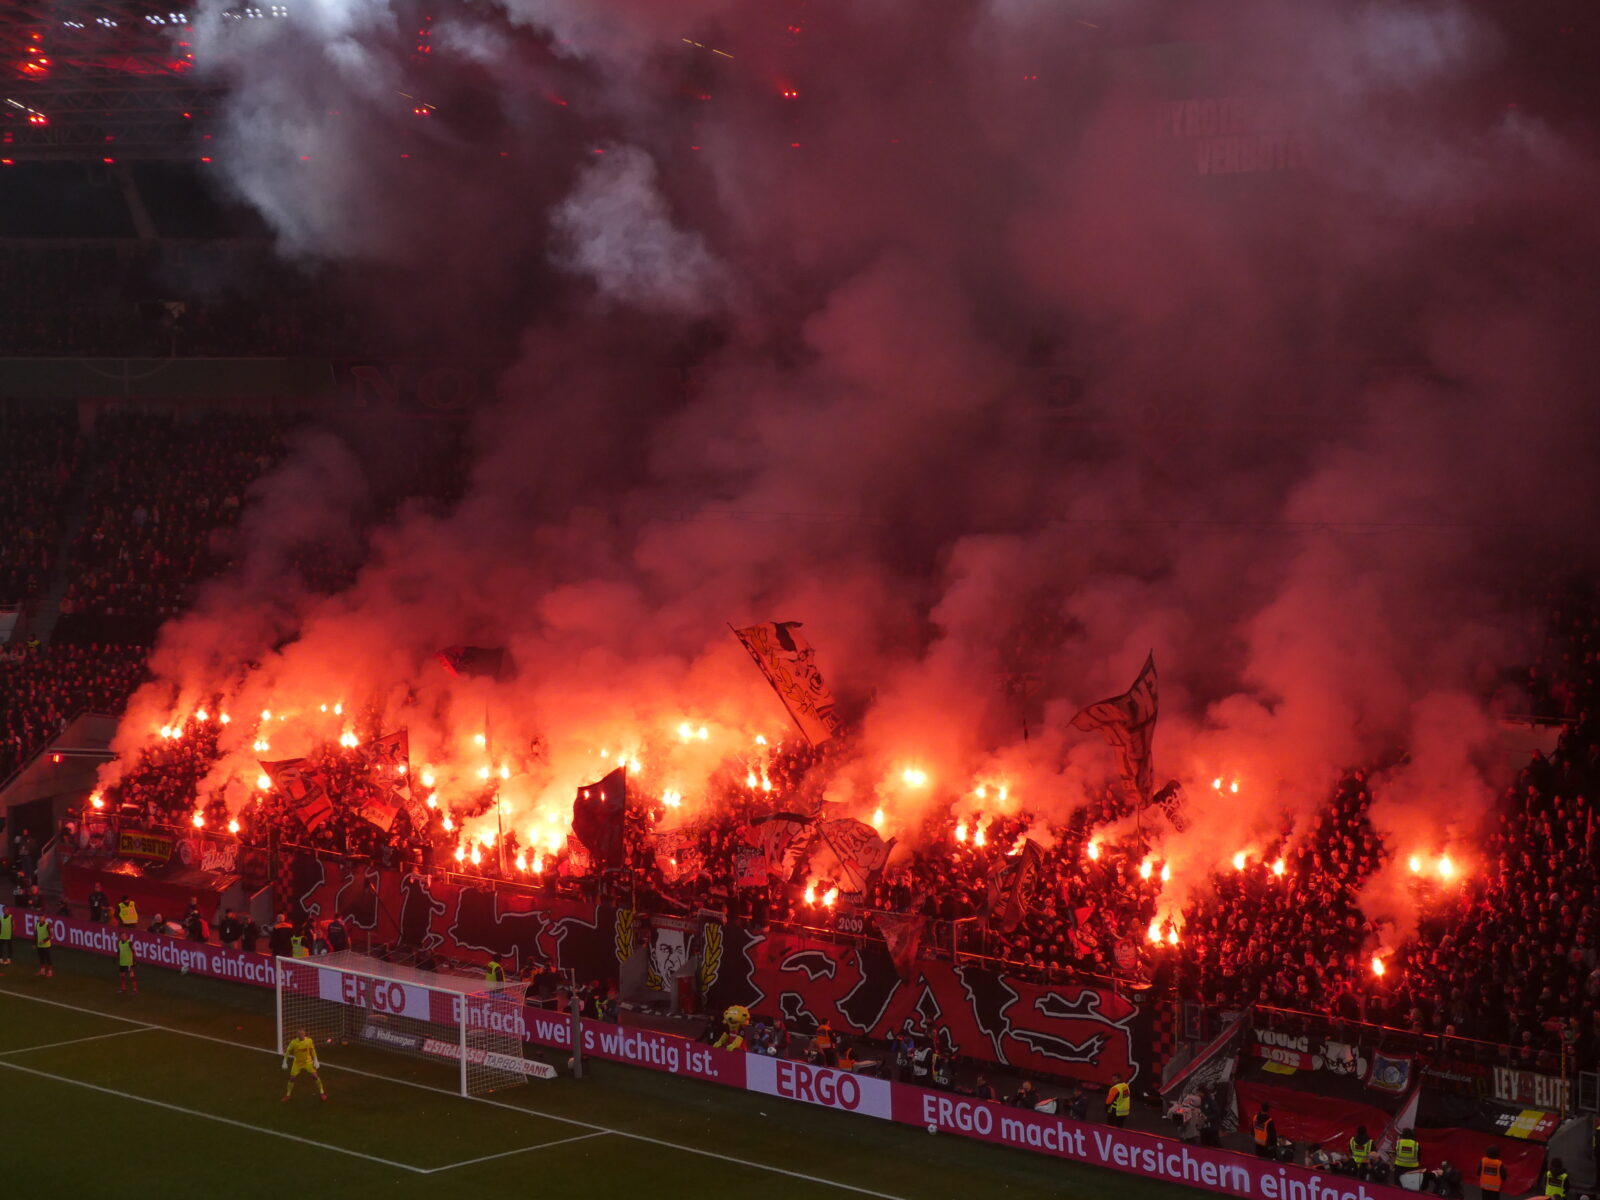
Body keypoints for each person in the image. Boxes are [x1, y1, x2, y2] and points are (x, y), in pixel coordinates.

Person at [281, 1027, 327, 1102]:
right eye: (299, 1034)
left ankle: (322, 1092)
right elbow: (288, 1051)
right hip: (297, 1063)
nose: (301, 1035)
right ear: (297, 1035)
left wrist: (315, 1060)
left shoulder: (309, 1041)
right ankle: (287, 1095)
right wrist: (284, 1061)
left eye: (302, 1034)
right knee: (292, 1078)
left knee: (315, 1076)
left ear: (304, 1034)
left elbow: (312, 1050)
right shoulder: (293, 1042)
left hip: (307, 1062)